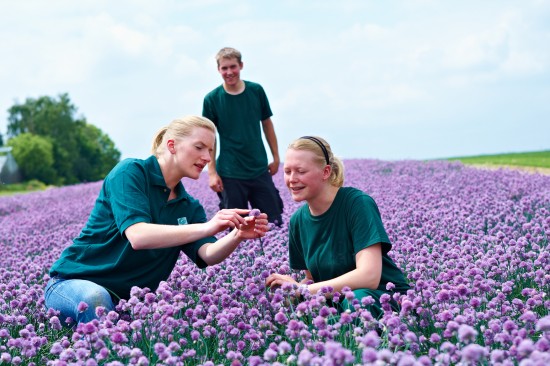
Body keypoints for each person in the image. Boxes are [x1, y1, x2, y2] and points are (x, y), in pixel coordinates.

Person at [44, 116, 269, 325]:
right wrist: (208, 225)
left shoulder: (188, 206)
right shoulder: (130, 173)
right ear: (172, 146)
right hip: (73, 285)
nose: (208, 158)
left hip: (127, 302)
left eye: (211, 150)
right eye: (199, 147)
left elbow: (207, 254)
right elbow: (138, 236)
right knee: (95, 298)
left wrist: (237, 235)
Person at [266, 136, 410, 318]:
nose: (292, 179)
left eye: (300, 171)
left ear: (326, 172)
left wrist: (302, 290)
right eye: (287, 172)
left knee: (354, 301)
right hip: (339, 307)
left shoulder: (357, 204)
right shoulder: (298, 221)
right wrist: (291, 294)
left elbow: (369, 277)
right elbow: (313, 280)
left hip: (384, 302)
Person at [202, 47, 283, 226]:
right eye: (224, 68)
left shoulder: (256, 91)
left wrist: (276, 157)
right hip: (230, 173)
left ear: (241, 66)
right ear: (218, 70)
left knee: (273, 222)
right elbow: (209, 138)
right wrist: (212, 172)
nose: (229, 72)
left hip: (259, 168)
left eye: (233, 67)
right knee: (236, 228)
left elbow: (267, 124)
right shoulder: (212, 99)